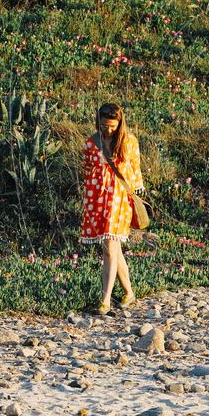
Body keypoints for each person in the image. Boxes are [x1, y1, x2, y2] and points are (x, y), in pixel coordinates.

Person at [79, 102, 146, 315]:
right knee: (113, 249)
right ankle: (129, 293)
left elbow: (135, 173)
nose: (107, 129)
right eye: (103, 125)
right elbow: (87, 169)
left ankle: (105, 300)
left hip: (119, 200)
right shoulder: (92, 142)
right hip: (97, 199)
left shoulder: (129, 142)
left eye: (111, 126)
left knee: (108, 249)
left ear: (119, 123)